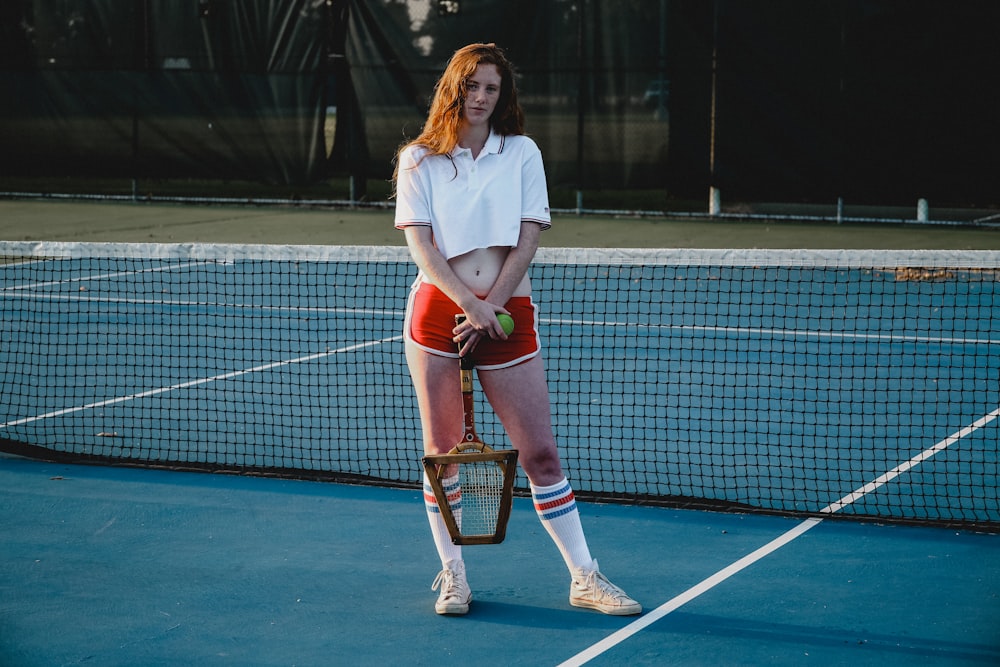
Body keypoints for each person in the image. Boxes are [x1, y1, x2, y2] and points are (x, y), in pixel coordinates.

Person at [392, 43, 640, 617]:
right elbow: (421, 246)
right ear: (452, 88)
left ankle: (586, 577)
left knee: (542, 456)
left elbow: (529, 235)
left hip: (509, 314)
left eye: (492, 88)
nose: (480, 97)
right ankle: (454, 576)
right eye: (471, 86)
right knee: (441, 454)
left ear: (503, 97)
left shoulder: (522, 152)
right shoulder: (418, 159)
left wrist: (491, 306)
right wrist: (467, 304)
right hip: (436, 314)